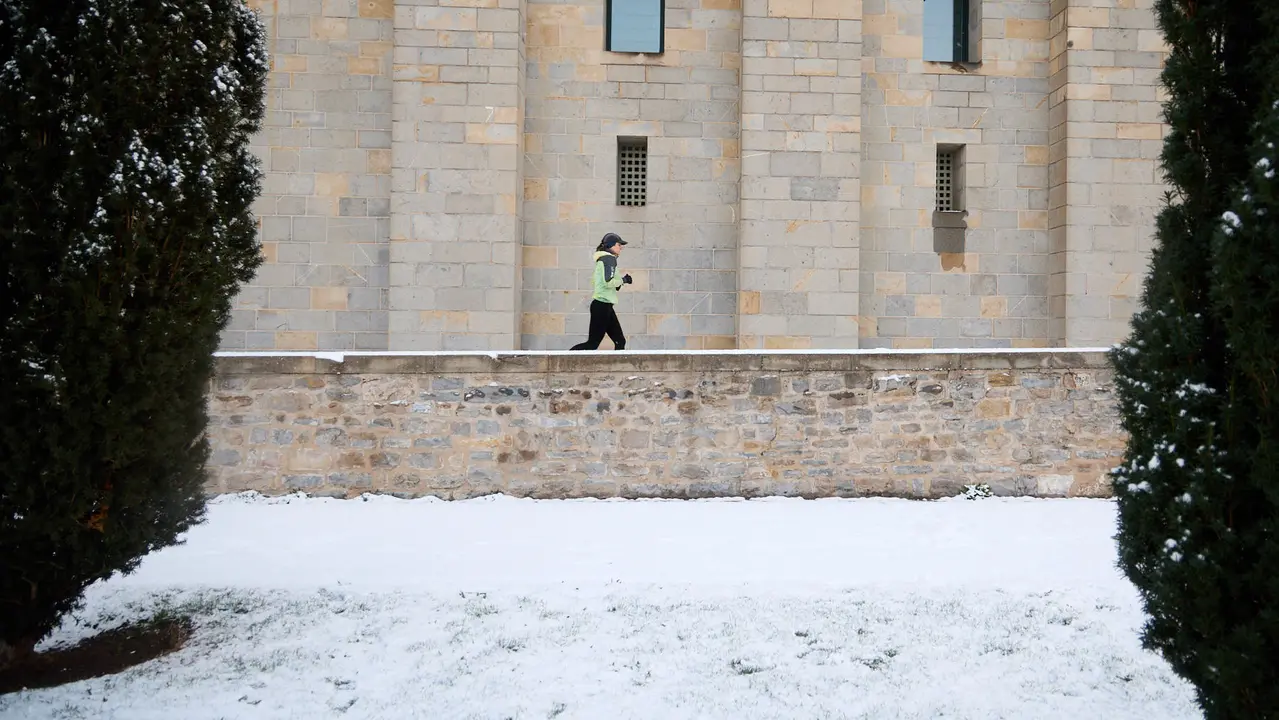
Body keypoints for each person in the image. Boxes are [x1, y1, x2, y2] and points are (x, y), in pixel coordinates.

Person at [570, 233, 632, 350]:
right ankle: (565, 359)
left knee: (620, 341)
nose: (621, 247)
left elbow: (603, 283)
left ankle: (617, 366)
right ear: (611, 246)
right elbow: (608, 282)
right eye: (619, 244)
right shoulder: (609, 259)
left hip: (605, 305)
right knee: (592, 344)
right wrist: (623, 280)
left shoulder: (603, 260)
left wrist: (623, 282)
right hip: (602, 306)